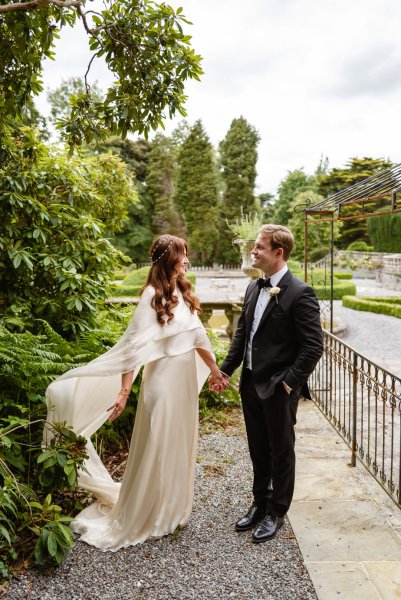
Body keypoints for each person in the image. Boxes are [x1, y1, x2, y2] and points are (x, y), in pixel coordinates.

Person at [44, 234, 223, 551]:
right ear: (169, 259)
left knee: (179, 442)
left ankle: (171, 508)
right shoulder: (151, 296)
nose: (186, 260)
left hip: (182, 382)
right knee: (159, 443)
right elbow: (132, 351)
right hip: (162, 381)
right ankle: (146, 512)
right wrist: (124, 392)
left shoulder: (183, 291)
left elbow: (199, 338)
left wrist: (214, 370)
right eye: (182, 255)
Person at [213, 224, 323, 543]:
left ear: (278, 252)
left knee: (281, 451)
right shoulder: (253, 288)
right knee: (258, 448)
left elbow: (313, 346)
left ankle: (277, 510)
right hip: (250, 384)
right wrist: (225, 371)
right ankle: (259, 502)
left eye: (260, 247)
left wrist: (289, 383)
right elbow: (241, 336)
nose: (253, 251)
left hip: (278, 387)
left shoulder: (300, 293)